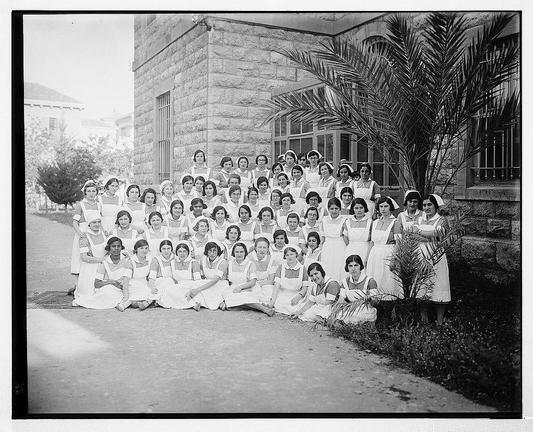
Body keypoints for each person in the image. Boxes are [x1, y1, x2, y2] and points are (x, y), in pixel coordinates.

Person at [412, 194, 451, 325]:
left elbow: (439, 235)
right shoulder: (419, 219)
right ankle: (424, 319)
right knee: (422, 286)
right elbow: (411, 234)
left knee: (438, 284)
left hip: (436, 256)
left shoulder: (441, 220)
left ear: (435, 206)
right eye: (424, 205)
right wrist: (429, 237)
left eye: (429, 205)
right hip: (420, 255)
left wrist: (420, 233)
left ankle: (439, 321)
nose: (426, 207)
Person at [366, 197, 403, 326]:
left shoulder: (396, 222)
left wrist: (394, 258)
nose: (383, 209)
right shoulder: (375, 222)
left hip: (388, 254)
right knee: (375, 283)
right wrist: (367, 258)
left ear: (390, 207)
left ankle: (387, 318)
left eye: (386, 206)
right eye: (381, 206)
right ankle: (376, 316)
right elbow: (371, 242)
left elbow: (399, 243)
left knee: (387, 283)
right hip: (375, 255)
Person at [221, 243, 275, 316]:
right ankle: (253, 307)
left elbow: (253, 281)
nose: (239, 254)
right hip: (234, 288)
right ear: (233, 253)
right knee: (230, 297)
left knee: (243, 297)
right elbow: (225, 279)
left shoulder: (250, 264)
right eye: (237, 252)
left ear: (245, 252)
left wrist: (241, 288)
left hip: (248, 287)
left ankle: (264, 309)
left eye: (241, 252)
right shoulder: (229, 263)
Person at [72, 236, 126, 309]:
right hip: (108, 287)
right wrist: (111, 282)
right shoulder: (104, 263)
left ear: (121, 247)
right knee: (107, 292)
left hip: (122, 288)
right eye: (113, 246)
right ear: (109, 248)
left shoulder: (127, 260)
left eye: (118, 246)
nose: (116, 248)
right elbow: (97, 283)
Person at [70, 180, 102, 289]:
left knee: (95, 255)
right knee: (80, 258)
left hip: (95, 232)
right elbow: (75, 222)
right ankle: (78, 285)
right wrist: (81, 234)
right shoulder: (80, 205)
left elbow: (99, 220)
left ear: (96, 192)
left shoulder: (98, 205)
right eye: (89, 191)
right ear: (85, 192)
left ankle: (91, 283)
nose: (91, 193)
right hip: (83, 232)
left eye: (93, 191)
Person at [156, 241, 205, 310]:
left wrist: (192, 290)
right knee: (168, 291)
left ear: (188, 252)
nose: (182, 254)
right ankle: (190, 304)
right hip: (179, 286)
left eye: (184, 251)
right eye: (180, 251)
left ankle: (193, 303)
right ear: (176, 253)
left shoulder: (194, 262)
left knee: (188, 293)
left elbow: (198, 281)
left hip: (191, 286)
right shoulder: (172, 263)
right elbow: (173, 278)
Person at [72, 214, 107, 299]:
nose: (97, 224)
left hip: (103, 267)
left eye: (99, 222)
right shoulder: (84, 237)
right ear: (89, 224)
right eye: (94, 222)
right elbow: (84, 257)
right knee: (90, 295)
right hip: (90, 268)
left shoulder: (104, 234)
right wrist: (101, 260)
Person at [336, 255, 378, 324]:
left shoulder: (370, 281)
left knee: (356, 316)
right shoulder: (345, 282)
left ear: (360, 266)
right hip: (350, 309)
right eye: (350, 266)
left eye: (356, 265)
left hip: (366, 310)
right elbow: (341, 300)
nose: (353, 269)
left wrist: (370, 299)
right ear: (347, 267)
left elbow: (375, 302)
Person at [117, 239, 157, 311]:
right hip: (132, 284)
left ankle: (143, 303)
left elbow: (152, 276)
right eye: (141, 248)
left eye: (146, 248)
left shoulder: (151, 259)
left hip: (144, 282)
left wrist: (152, 287)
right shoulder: (131, 261)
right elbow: (126, 280)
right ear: (136, 250)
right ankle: (126, 304)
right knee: (137, 294)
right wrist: (126, 294)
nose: (144, 250)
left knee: (154, 292)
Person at [269, 245, 308, 315]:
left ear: (296, 255)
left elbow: (305, 288)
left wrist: (298, 297)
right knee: (277, 304)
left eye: (292, 254)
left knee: (296, 308)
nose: (290, 257)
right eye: (287, 255)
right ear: (285, 257)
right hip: (282, 294)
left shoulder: (302, 268)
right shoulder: (281, 267)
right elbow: (276, 285)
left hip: (296, 294)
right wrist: (273, 301)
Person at [190, 241, 229, 310]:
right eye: (210, 251)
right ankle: (198, 302)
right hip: (208, 281)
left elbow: (215, 280)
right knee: (195, 284)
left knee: (203, 289)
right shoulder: (204, 259)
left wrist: (199, 289)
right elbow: (202, 274)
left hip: (220, 284)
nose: (212, 253)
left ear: (218, 251)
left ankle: (219, 302)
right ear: (206, 252)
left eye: (214, 251)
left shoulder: (223, 262)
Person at [320, 197, 347, 281]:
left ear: (340, 209)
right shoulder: (324, 219)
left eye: (336, 208)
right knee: (327, 266)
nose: (334, 211)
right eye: (331, 209)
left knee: (339, 266)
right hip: (327, 246)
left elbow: (345, 237)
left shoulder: (344, 220)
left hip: (340, 246)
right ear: (328, 209)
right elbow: (322, 236)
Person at [248, 237, 280, 308]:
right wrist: (254, 284)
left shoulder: (271, 260)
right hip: (251, 284)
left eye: (264, 247)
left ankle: (264, 305)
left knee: (269, 292)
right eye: (259, 247)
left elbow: (271, 281)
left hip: (266, 284)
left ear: (268, 248)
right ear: (255, 248)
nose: (262, 250)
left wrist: (259, 284)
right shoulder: (249, 258)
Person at [343, 198, 373, 265]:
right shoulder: (347, 222)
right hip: (351, 250)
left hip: (365, 250)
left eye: (361, 208)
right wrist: (352, 246)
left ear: (365, 208)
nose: (359, 210)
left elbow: (372, 240)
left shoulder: (370, 222)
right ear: (353, 209)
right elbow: (345, 237)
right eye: (356, 208)